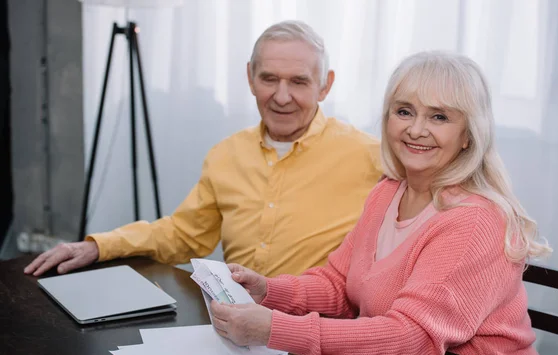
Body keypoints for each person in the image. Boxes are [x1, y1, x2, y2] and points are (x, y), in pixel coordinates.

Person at [209, 51, 552, 355]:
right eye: (404, 111)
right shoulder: (388, 192)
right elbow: (339, 285)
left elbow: (412, 337)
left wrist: (275, 329)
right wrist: (267, 290)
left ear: (468, 135)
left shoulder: (474, 220)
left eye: (439, 116)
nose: (416, 130)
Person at [24, 21, 381, 278]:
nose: (282, 96)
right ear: (249, 77)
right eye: (269, 79)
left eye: (299, 82)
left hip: (318, 331)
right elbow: (184, 235)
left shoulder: (370, 157)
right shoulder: (226, 155)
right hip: (232, 325)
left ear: (325, 85)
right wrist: (99, 245)